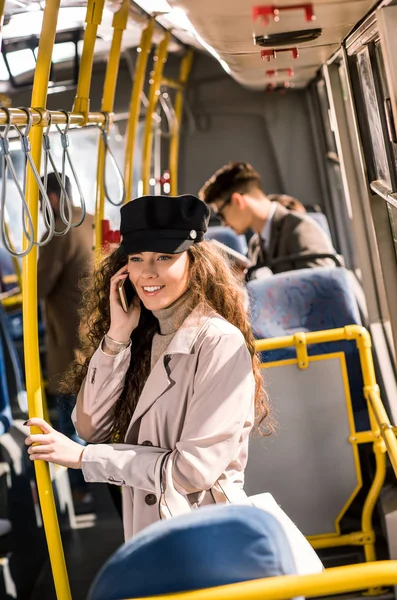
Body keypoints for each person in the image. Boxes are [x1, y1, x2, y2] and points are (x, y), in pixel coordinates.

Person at [25, 194, 271, 539]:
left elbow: (192, 471)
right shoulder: (140, 334)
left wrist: (86, 459)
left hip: (205, 530)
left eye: (164, 257)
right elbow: (90, 425)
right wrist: (117, 336)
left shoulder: (218, 342)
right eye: (137, 258)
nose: (147, 272)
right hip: (152, 530)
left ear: (193, 262)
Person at [37, 172, 94, 508]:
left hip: (71, 347)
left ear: (52, 199)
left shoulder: (58, 233)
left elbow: (39, 287)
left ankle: (80, 492)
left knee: (68, 422)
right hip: (94, 338)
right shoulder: (85, 219)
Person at [199, 162, 335, 275]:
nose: (224, 224)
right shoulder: (255, 245)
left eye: (221, 215)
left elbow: (323, 289)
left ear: (237, 201)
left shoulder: (300, 228)